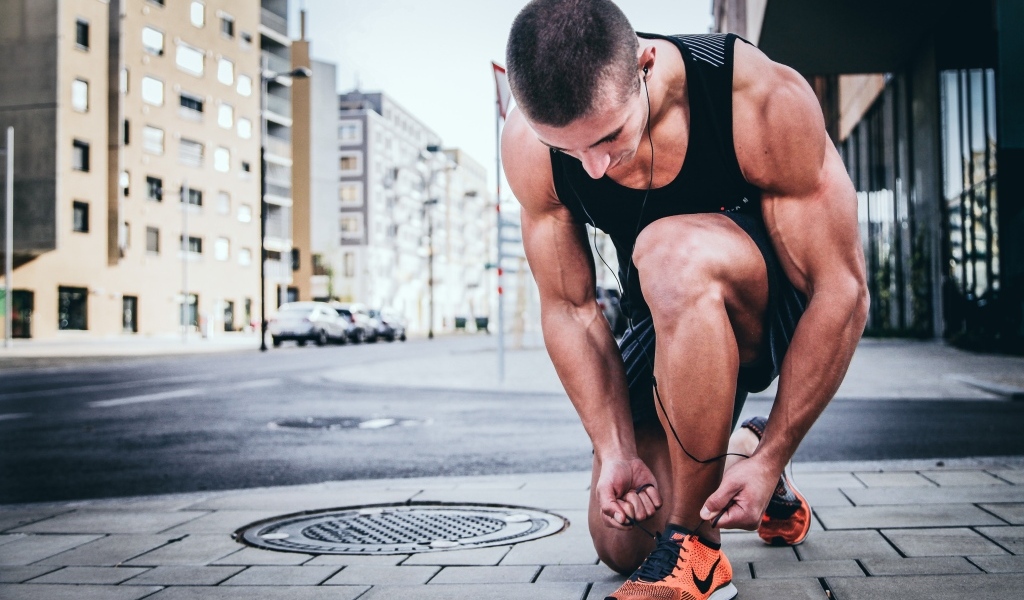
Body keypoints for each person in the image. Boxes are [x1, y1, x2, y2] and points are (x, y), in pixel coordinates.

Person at [501, 1, 869, 599]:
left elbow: (843, 290)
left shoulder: (753, 96)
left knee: (670, 250)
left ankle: (698, 557)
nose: (593, 169)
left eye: (608, 136)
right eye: (570, 152)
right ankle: (735, 449)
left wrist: (778, 451)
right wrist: (614, 447)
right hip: (663, 313)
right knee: (622, 542)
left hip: (764, 307)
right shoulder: (528, 144)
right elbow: (569, 309)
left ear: (645, 65)